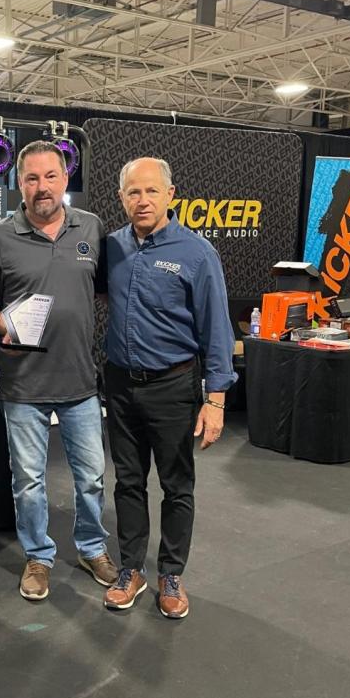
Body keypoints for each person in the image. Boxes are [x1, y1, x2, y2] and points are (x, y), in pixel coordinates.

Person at [0, 141, 118, 601]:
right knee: (30, 482)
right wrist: (10, 326)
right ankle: (38, 556)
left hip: (80, 380)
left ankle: (91, 547)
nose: (42, 187)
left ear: (65, 180)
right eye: (32, 178)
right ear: (19, 182)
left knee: (93, 476)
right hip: (23, 383)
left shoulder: (92, 228)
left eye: (51, 177)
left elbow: (101, 292)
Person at [102, 156, 236, 619]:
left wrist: (215, 399)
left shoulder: (197, 253)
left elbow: (217, 330)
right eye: (133, 192)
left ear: (170, 196)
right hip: (119, 386)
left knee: (177, 486)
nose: (142, 200)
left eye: (151, 191)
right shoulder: (112, 248)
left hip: (174, 387)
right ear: (121, 198)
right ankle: (131, 569)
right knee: (128, 483)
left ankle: (172, 574)